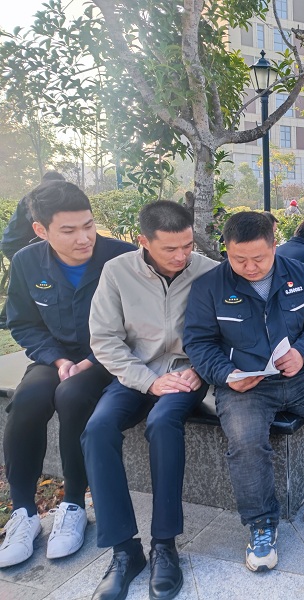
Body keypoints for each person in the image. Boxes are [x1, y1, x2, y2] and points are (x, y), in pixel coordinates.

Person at [183, 212, 304, 574]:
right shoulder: (209, 286)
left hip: (298, 376)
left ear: (274, 245)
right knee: (246, 441)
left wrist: (302, 352)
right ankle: (261, 524)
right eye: (239, 259)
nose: (250, 267)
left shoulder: (298, 273)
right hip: (244, 386)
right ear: (226, 250)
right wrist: (226, 375)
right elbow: (198, 342)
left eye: (259, 258)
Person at [83, 201, 217, 600]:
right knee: (97, 429)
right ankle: (125, 551)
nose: (181, 256)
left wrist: (201, 369)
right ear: (144, 241)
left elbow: (229, 332)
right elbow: (105, 339)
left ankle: (164, 545)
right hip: (135, 372)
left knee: (162, 423)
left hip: (187, 372)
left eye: (187, 246)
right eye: (170, 249)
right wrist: (148, 381)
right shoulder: (117, 272)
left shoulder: (209, 271)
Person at [0, 181, 135, 568]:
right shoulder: (27, 262)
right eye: (69, 230)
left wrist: (90, 361)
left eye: (89, 225)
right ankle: (24, 512)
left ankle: (74, 503)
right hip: (55, 357)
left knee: (73, 395)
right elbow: (23, 323)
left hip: (107, 358)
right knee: (27, 399)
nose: (84, 238)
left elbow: (139, 324)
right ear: (41, 230)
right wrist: (57, 360)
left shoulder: (122, 258)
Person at [0, 171, 66, 329]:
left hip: (24, 243)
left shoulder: (43, 197)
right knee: (27, 280)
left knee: (30, 279)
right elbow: (38, 222)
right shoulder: (34, 198)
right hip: (16, 245)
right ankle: (6, 318)